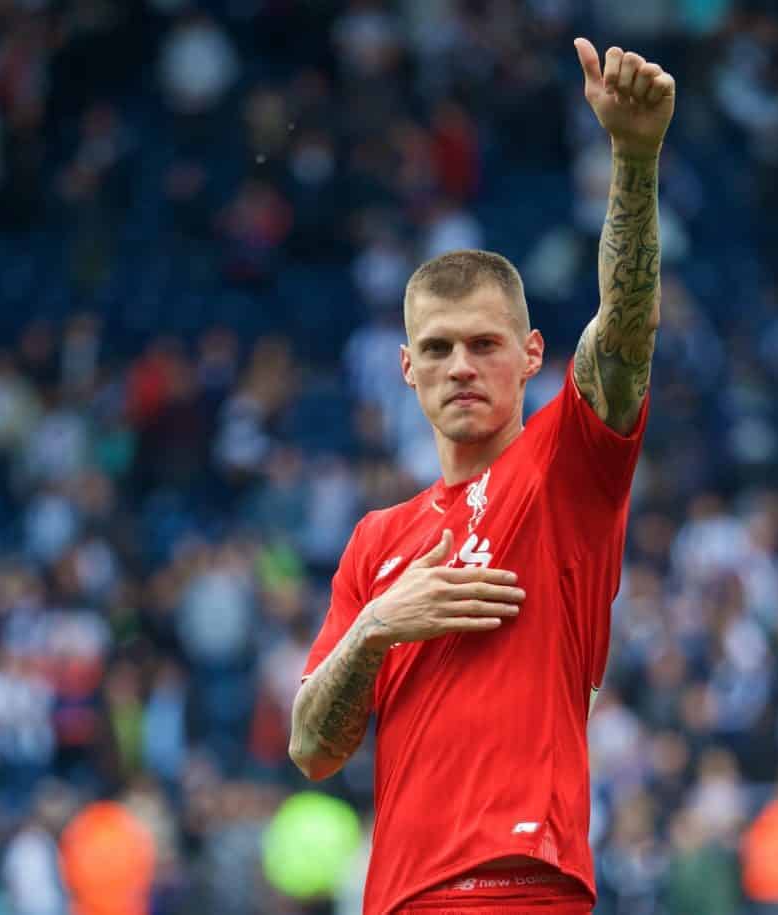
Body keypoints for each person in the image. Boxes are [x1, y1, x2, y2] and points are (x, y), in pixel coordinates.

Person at [289, 38, 675, 915]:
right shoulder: (375, 542)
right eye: (437, 348)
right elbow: (312, 746)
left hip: (520, 888)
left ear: (531, 355)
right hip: (396, 898)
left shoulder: (562, 465)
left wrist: (634, 155)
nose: (460, 364)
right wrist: (377, 628)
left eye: (484, 343)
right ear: (405, 370)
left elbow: (623, 335)